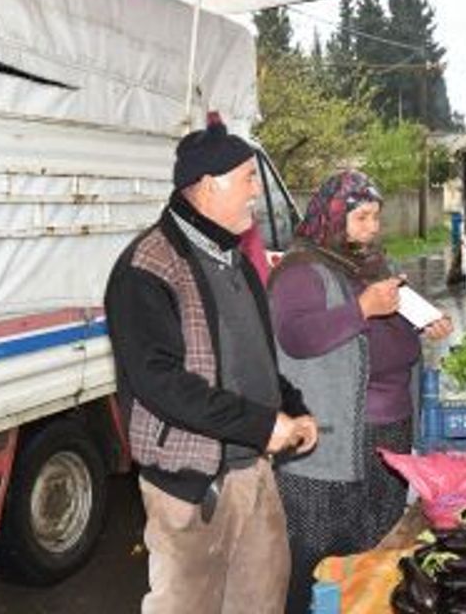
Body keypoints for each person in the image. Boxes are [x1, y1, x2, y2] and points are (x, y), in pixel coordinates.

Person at [104, 117, 318, 614]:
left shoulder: (235, 258)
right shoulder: (147, 267)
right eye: (247, 179)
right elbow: (161, 384)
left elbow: (255, 358)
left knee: (261, 602)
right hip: (193, 487)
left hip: (254, 473)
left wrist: (292, 407)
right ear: (208, 185)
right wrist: (262, 424)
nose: (254, 194)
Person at [266, 170, 453, 613]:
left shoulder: (374, 265)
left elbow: (391, 331)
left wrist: (424, 323)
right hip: (335, 442)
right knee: (319, 553)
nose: (373, 227)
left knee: (376, 549)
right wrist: (363, 307)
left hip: (390, 432)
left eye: (376, 217)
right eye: (362, 217)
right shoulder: (301, 272)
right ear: (333, 218)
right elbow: (295, 338)